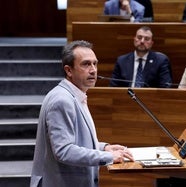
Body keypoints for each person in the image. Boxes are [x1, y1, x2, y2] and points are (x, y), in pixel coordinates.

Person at [30, 40, 134, 187]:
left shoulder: (75, 95)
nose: (93, 70)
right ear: (68, 70)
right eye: (86, 64)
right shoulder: (62, 100)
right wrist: (108, 156)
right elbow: (64, 150)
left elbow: (76, 141)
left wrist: (103, 147)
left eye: (95, 63)